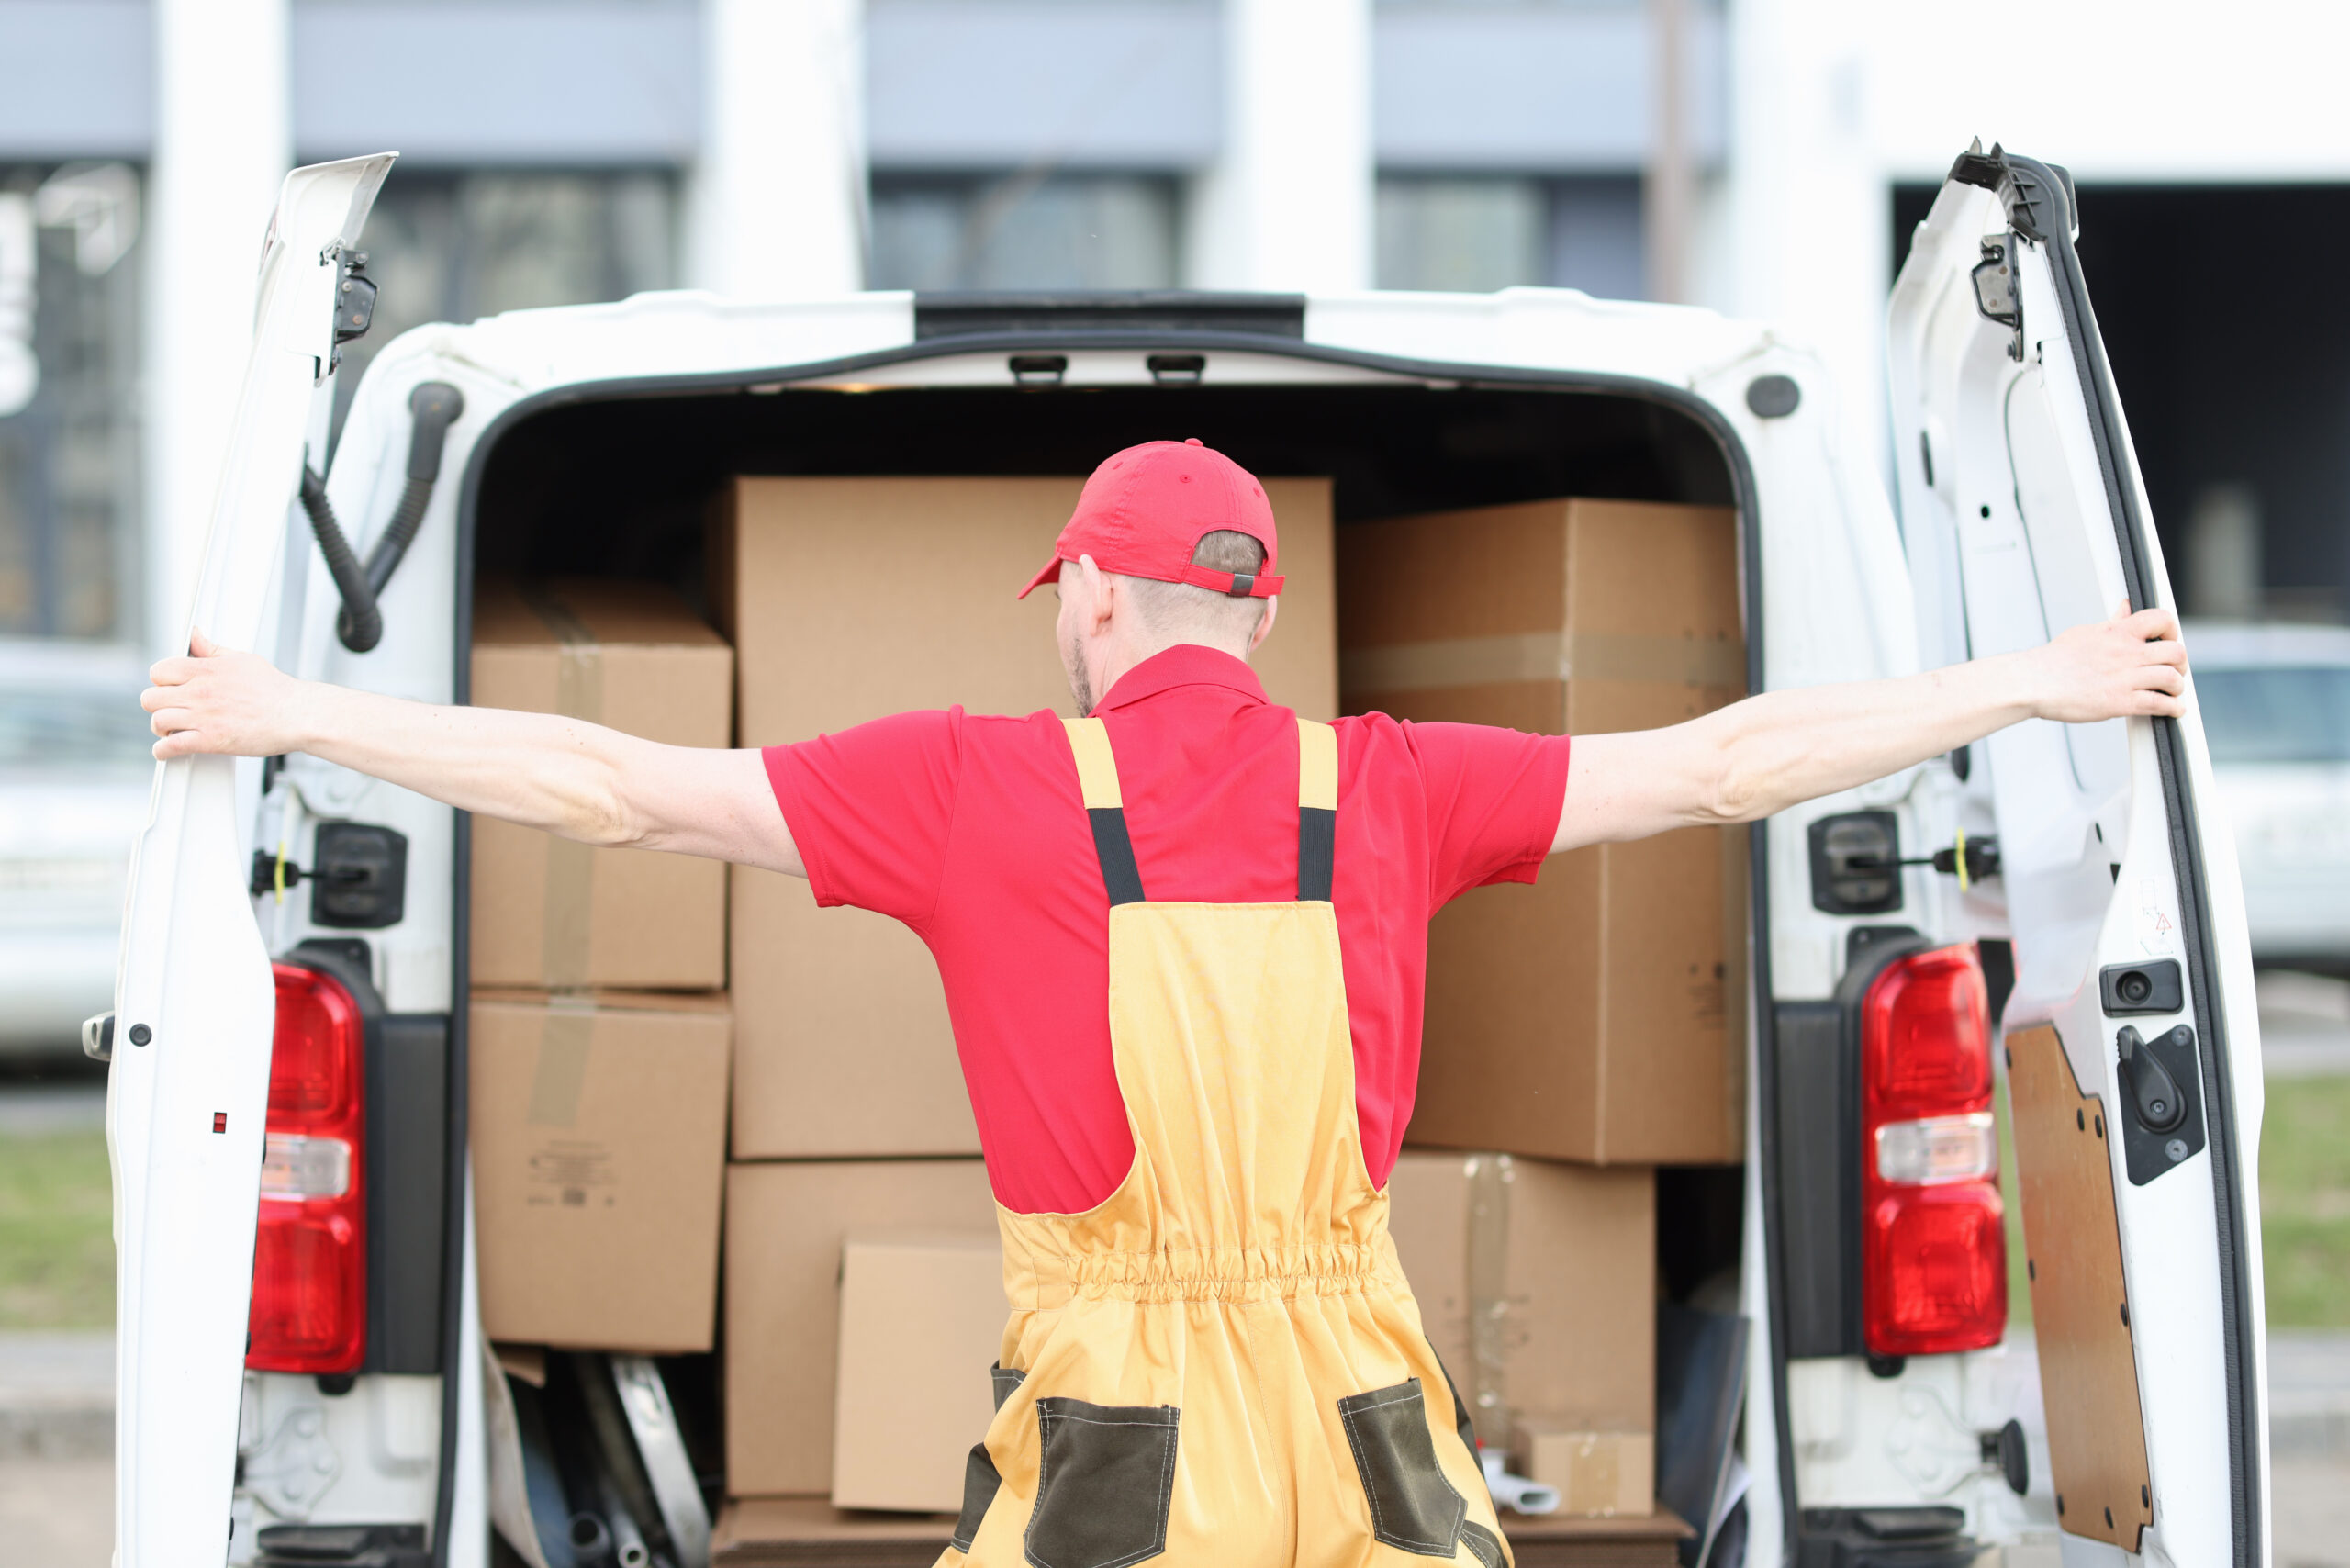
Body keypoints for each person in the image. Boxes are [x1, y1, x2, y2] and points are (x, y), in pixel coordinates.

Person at [145, 438, 2187, 1568]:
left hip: (1123, 1426)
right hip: (1369, 1400)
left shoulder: (970, 779)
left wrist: (288, 706)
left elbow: (611, 783)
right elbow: (1730, 757)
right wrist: (2028, 680)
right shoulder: (1387, 776)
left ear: (1094, 599)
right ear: (1264, 603)